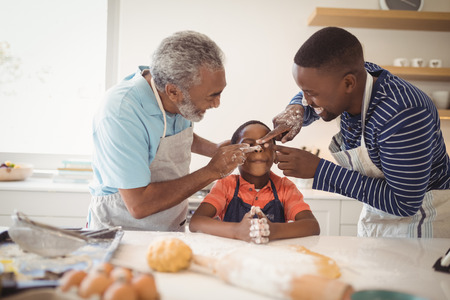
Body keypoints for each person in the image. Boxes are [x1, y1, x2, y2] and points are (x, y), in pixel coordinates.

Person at [258, 27, 450, 238]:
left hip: (424, 226)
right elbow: (313, 94)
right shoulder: (354, 77)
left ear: (349, 83)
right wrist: (297, 109)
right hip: (379, 217)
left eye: (310, 94)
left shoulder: (402, 114)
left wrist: (319, 170)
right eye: (302, 92)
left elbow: (404, 203)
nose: (305, 99)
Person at [88, 31, 251, 231]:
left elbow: (174, 137)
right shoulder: (121, 113)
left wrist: (214, 149)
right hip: (123, 231)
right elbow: (139, 204)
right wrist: (212, 171)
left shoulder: (179, 99)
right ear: (173, 92)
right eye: (212, 96)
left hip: (170, 227)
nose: (217, 103)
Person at [189, 120, 320, 243]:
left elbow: (312, 225)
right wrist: (237, 231)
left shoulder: (285, 187)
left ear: (275, 154)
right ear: (234, 155)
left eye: (265, 144)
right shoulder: (226, 185)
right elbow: (196, 222)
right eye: (249, 145)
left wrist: (273, 231)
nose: (258, 149)